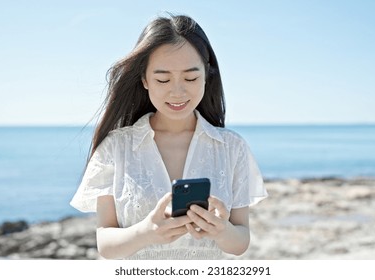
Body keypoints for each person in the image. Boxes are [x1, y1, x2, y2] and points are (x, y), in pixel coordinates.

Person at [70, 13, 268, 260]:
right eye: (163, 79)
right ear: (144, 79)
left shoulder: (232, 147)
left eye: (191, 77)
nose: (177, 91)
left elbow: (240, 242)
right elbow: (106, 244)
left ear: (207, 75)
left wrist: (221, 231)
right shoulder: (115, 148)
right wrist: (146, 233)